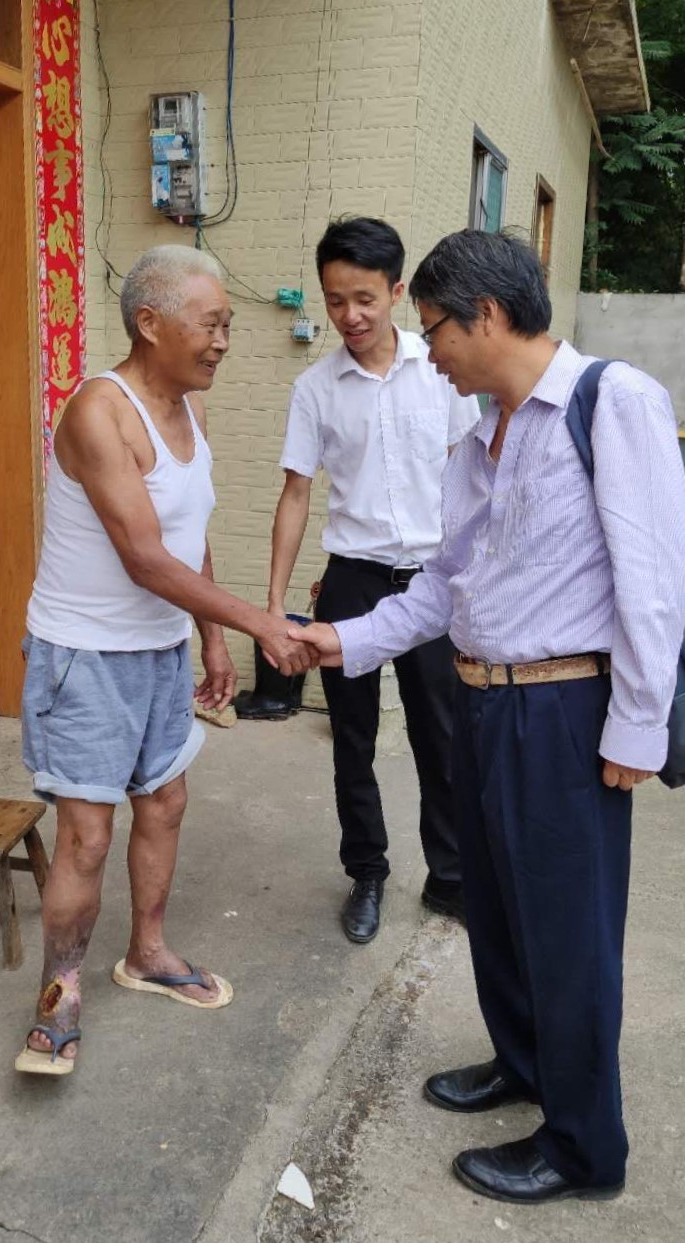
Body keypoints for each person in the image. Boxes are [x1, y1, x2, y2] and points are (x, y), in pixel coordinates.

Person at [295, 230, 685, 1202]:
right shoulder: (481, 438)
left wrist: (636, 726)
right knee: (500, 913)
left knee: (567, 931)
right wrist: (339, 640)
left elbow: (653, 581)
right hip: (481, 703)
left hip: (563, 710)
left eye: (433, 328)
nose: (427, 349)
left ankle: (583, 1147)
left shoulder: (611, 401)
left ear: (488, 315)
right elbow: (441, 586)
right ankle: (523, 1064)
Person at [16, 245, 313, 1075]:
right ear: (149, 323)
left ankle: (145, 952)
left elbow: (188, 534)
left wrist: (210, 636)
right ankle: (57, 999)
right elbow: (145, 558)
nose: (223, 341)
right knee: (85, 836)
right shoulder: (97, 413)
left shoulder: (189, 409)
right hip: (85, 655)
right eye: (210, 324)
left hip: (157, 651)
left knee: (166, 801)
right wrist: (259, 623)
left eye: (227, 326)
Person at [268, 217, 480, 944]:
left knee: (440, 735)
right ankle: (366, 872)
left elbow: (468, 474)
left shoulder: (441, 370)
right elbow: (296, 493)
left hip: (432, 583)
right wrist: (276, 606)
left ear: (395, 291)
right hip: (353, 581)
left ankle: (449, 876)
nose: (349, 316)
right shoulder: (315, 388)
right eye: (335, 300)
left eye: (363, 298)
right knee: (351, 739)